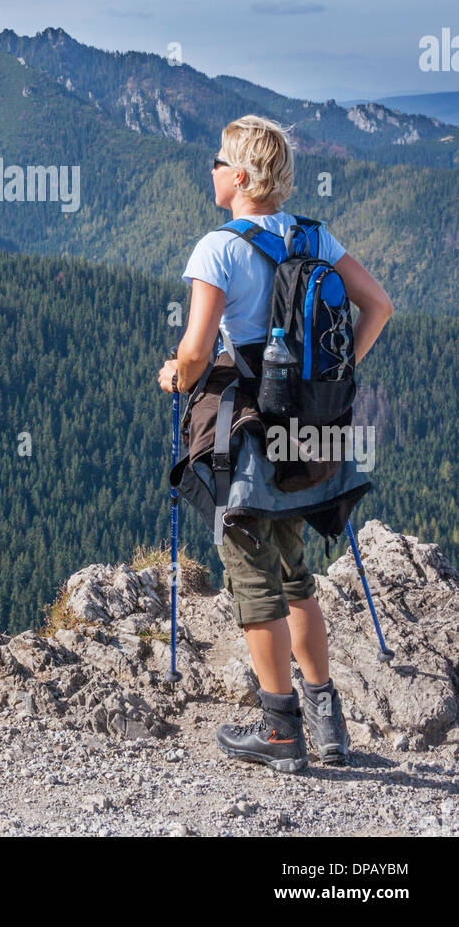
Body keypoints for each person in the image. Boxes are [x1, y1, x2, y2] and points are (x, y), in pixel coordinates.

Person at [158, 114, 393, 771]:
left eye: (215, 161)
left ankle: (281, 731)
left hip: (256, 433)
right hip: (315, 428)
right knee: (297, 575)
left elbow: (199, 350)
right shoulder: (315, 237)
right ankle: (329, 724)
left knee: (252, 577)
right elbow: (379, 306)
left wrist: (175, 374)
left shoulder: (219, 248)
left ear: (237, 175)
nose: (209, 171)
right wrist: (340, 376)